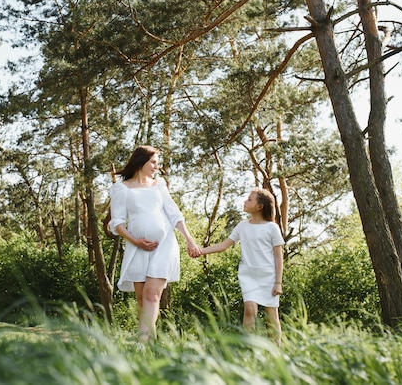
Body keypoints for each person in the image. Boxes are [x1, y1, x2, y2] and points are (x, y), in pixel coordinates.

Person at [108, 145, 201, 341]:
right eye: (153, 162)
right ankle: (151, 343)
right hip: (137, 247)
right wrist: (135, 241)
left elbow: (174, 213)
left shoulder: (159, 185)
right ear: (141, 161)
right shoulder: (120, 188)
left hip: (164, 245)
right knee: (142, 300)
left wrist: (189, 241)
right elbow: (116, 222)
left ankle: (141, 343)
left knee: (152, 295)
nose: (156, 167)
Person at [195, 188, 284, 346]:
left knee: (272, 317)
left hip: (269, 278)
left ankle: (277, 351)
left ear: (260, 206)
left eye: (250, 199)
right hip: (248, 276)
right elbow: (224, 245)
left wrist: (278, 282)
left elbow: (278, 256)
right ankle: (246, 349)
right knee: (249, 309)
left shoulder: (272, 228)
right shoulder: (242, 226)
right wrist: (201, 251)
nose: (245, 201)